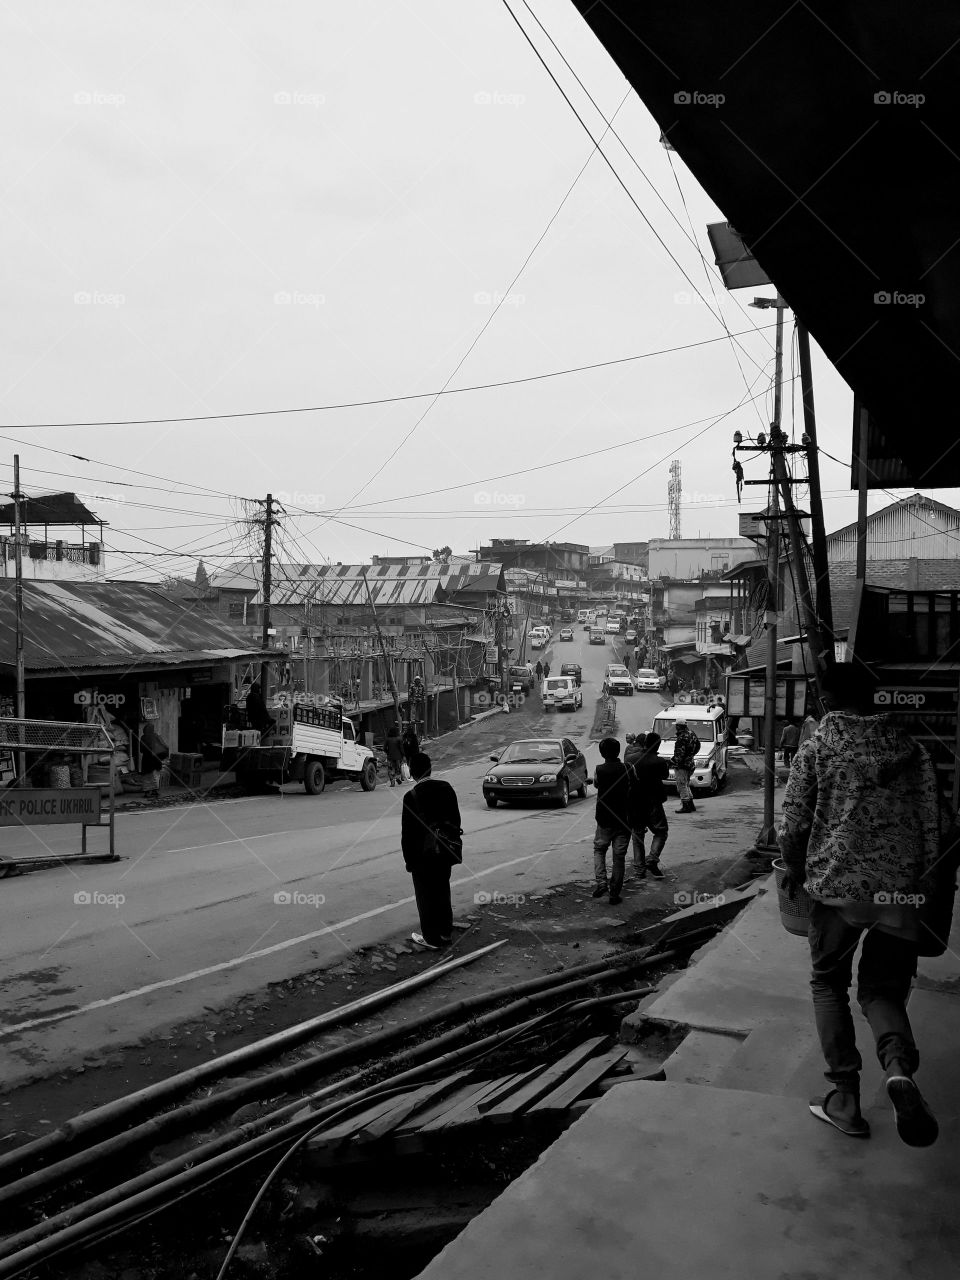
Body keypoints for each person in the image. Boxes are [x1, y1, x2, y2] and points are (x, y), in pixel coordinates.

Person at [778, 662, 941, 1147]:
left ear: (825, 700)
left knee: (829, 984)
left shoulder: (818, 748)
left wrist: (794, 869)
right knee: (883, 992)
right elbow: (941, 826)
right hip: (901, 893)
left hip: (837, 889)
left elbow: (793, 825)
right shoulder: (913, 750)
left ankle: (845, 1099)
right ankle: (897, 1071)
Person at [401, 752, 462, 950]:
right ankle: (445, 932)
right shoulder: (446, 788)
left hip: (422, 856)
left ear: (412, 772)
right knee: (443, 889)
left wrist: (409, 860)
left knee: (425, 896)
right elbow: (456, 821)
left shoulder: (411, 797)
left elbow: (407, 834)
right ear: (430, 768)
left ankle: (431, 938)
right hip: (445, 851)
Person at [591, 737, 632, 906]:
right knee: (619, 857)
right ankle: (614, 893)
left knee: (599, 849)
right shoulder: (627, 768)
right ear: (618, 751)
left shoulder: (599, 770)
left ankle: (601, 883)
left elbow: (596, 785)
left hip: (604, 818)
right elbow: (633, 787)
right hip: (624, 818)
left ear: (601, 753)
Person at [626, 732, 669, 879]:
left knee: (637, 835)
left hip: (635, 802)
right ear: (658, 745)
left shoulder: (630, 759)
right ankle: (652, 858)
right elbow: (664, 776)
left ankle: (639, 870)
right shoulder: (660, 762)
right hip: (654, 802)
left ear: (644, 744)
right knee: (661, 831)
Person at [671, 716, 700, 814]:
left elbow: (679, 754)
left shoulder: (682, 737)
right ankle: (691, 805)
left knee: (681, 785)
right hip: (690, 763)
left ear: (678, 726)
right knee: (686, 784)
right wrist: (691, 755)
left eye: (676, 726)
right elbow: (698, 746)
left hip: (682, 766)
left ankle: (686, 806)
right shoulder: (692, 733)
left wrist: (673, 762)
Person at [138, 719, 169, 798]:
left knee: (147, 776)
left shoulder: (143, 737)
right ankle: (155, 791)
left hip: (146, 760)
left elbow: (141, 750)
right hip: (156, 760)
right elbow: (164, 746)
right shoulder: (156, 736)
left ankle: (147, 792)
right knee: (155, 776)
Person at [384, 723, 405, 787]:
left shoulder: (388, 739)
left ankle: (392, 782)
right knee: (397, 769)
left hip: (390, 757)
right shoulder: (399, 739)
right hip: (398, 757)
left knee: (390, 769)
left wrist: (388, 752)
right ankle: (397, 777)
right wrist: (403, 755)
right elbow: (401, 748)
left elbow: (384, 748)